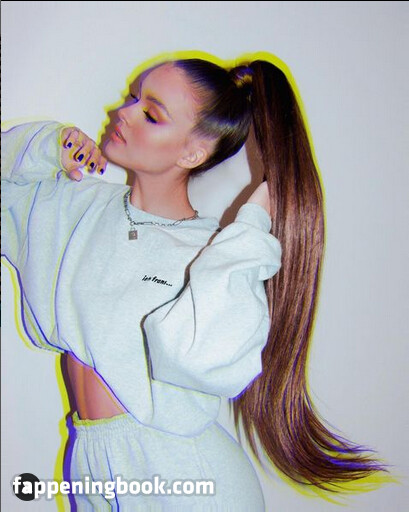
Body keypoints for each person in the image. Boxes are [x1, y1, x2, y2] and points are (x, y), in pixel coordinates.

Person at [2, 54, 391, 511]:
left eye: (151, 113)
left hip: (183, 477)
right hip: (90, 460)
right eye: (132, 98)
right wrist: (47, 147)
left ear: (192, 153)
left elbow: (199, 358)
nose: (121, 113)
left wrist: (254, 224)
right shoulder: (76, 208)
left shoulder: (211, 254)